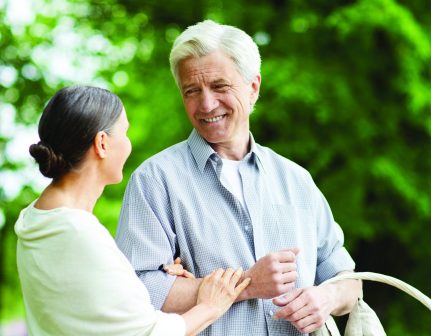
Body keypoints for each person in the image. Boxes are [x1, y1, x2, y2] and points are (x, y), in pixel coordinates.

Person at [116, 20, 362, 335]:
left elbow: (348, 280)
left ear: (253, 87)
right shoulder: (154, 181)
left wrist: (325, 297)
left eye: (220, 86)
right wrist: (246, 284)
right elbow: (136, 289)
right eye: (192, 91)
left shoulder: (296, 180)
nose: (206, 104)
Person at [15, 85, 250, 336]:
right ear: (102, 143)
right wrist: (211, 305)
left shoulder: (35, 220)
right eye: (124, 133)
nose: (128, 144)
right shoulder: (78, 233)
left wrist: (149, 286)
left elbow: (98, 313)